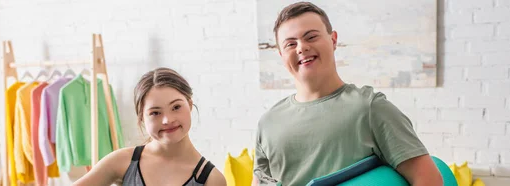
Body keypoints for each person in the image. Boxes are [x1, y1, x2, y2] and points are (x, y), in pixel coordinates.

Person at [253, 2, 443, 186]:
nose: (301, 47)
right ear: (281, 55)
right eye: (290, 44)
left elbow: (428, 179)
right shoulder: (268, 124)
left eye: (311, 37)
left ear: (333, 39)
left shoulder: (370, 108)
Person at [74, 67, 227, 186]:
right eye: (155, 113)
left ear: (190, 104)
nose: (167, 120)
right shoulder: (121, 161)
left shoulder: (212, 179)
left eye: (176, 107)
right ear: (141, 117)